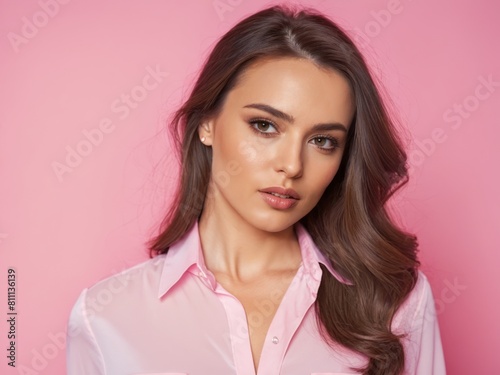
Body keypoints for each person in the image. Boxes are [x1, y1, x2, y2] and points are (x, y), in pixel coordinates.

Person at [66, 4, 446, 375]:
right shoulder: (106, 318)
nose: (293, 165)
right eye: (265, 126)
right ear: (207, 123)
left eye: (323, 141)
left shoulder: (397, 304)